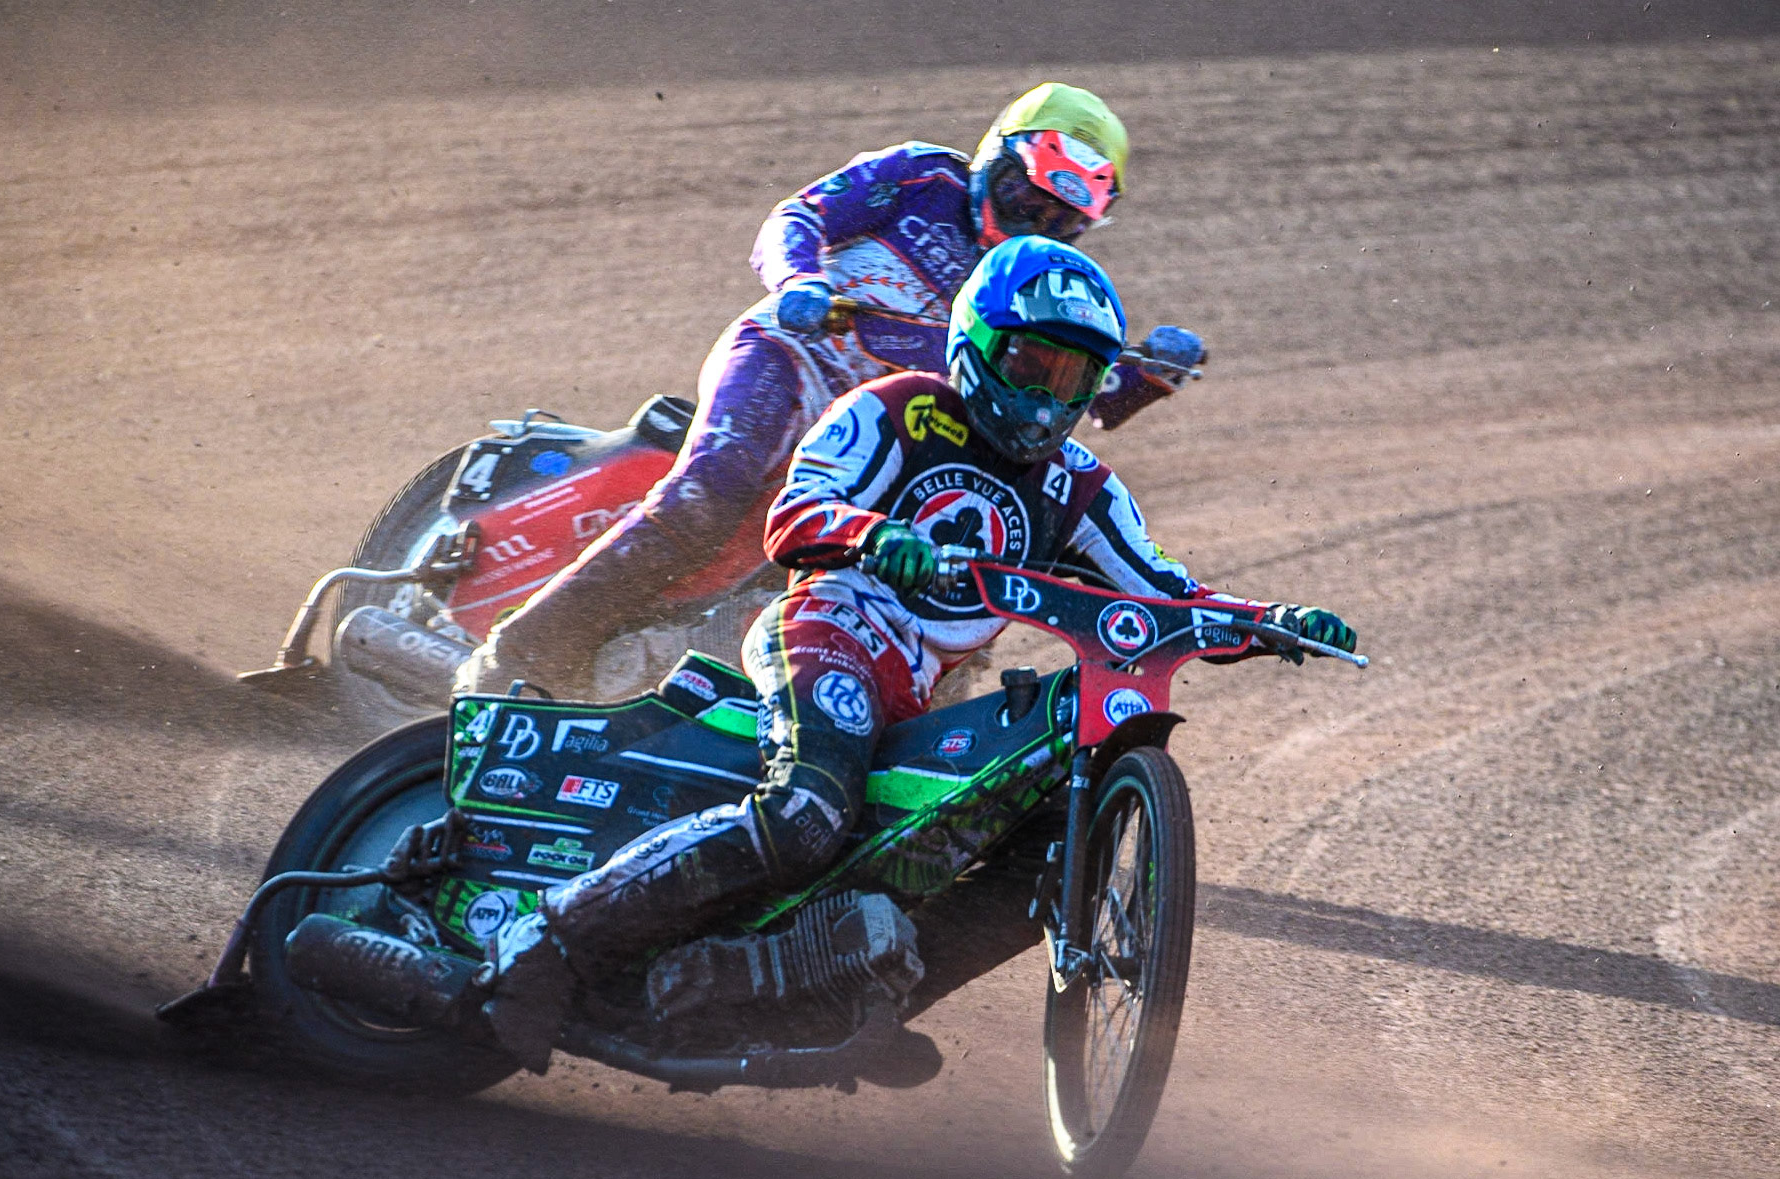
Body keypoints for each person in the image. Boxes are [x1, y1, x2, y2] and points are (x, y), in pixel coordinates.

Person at [483, 235, 1356, 1070]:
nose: (1049, 400)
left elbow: (1163, 595)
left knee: (1047, 850)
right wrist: (873, 536)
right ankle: (550, 936)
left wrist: (1269, 620)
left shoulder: (1080, 485)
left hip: (917, 697)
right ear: (977, 346)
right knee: (806, 815)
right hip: (828, 630)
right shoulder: (897, 409)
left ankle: (835, 994)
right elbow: (796, 514)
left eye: (1075, 377)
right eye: (1032, 367)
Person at [454, 82, 1208, 697]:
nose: (1034, 219)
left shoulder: (1034, 282)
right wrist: (800, 282)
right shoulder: (920, 178)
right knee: (706, 496)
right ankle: (517, 654)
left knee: (929, 572)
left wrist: (1144, 380)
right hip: (790, 359)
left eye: (1059, 216)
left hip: (884, 432)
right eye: (1026, 195)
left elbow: (1071, 402)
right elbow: (798, 216)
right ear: (994, 158)